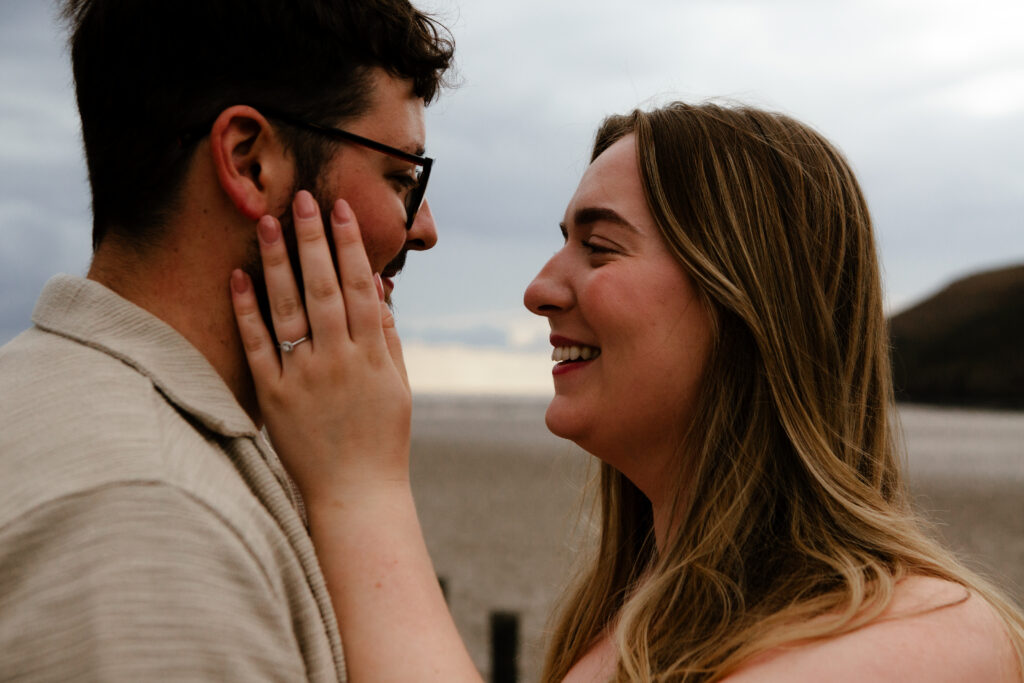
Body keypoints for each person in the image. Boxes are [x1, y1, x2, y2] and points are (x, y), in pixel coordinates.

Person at [232, 101, 1024, 681]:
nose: (540, 290)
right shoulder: (625, 626)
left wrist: (359, 487)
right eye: (560, 245)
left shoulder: (935, 639)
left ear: (744, 301)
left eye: (600, 248)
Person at [0, 0, 453, 680]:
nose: (423, 229)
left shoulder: (48, 393)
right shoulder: (153, 523)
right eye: (401, 178)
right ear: (249, 163)